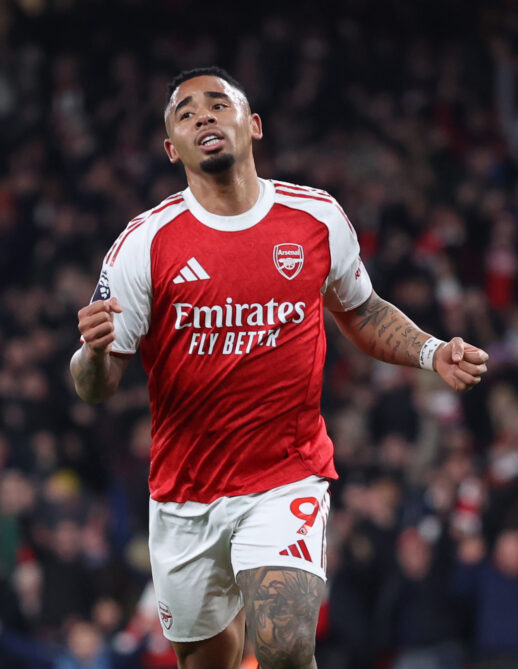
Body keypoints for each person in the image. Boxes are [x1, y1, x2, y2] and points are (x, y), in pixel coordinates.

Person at [69, 66, 489, 669]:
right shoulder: (147, 242)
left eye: (219, 104)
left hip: (285, 475)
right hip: (186, 493)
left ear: (253, 125)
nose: (204, 117)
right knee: (206, 661)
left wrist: (429, 351)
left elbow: (361, 310)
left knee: (286, 645)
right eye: (186, 114)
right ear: (172, 149)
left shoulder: (314, 218)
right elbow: (97, 387)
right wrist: (93, 353)